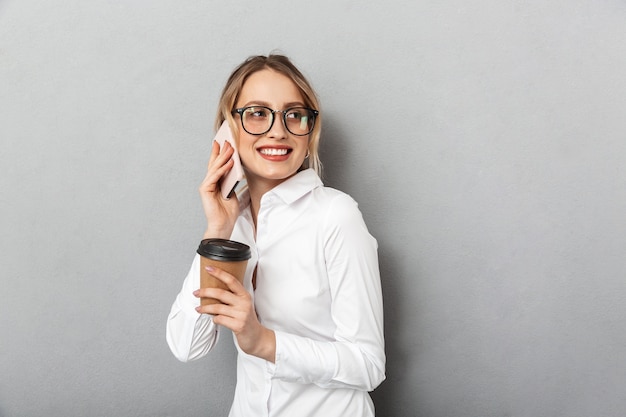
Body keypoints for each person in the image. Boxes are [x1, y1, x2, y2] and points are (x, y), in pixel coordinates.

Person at [166, 54, 385, 417]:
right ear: (228, 129)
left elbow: (367, 364)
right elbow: (186, 346)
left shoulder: (336, 215)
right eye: (256, 113)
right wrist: (216, 231)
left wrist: (263, 341)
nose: (278, 130)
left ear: (309, 129)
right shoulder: (232, 224)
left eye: (294, 114)